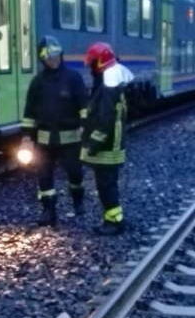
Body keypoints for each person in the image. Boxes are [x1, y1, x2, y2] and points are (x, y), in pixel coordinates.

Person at [21, 35, 88, 226]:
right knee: (44, 177)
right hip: (44, 140)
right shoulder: (37, 82)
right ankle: (48, 211)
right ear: (42, 58)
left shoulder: (73, 78)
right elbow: (29, 112)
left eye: (56, 55)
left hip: (70, 139)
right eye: (49, 56)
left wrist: (85, 126)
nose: (53, 59)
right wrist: (26, 137)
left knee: (75, 174)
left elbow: (84, 105)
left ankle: (78, 202)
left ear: (61, 54)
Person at [81, 42, 134, 236]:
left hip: (107, 147)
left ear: (100, 63)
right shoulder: (112, 83)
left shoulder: (106, 87)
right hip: (112, 144)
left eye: (92, 63)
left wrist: (93, 144)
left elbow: (105, 120)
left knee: (106, 185)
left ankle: (115, 222)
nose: (90, 67)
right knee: (107, 183)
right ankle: (111, 218)